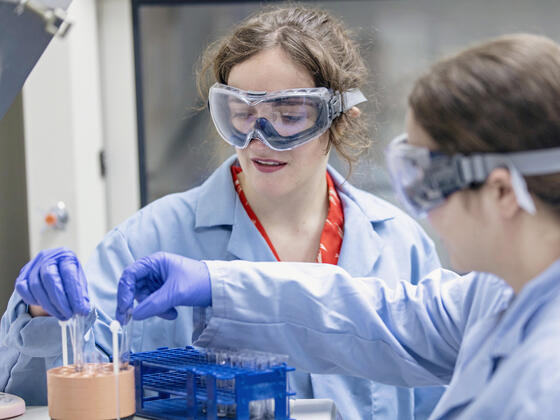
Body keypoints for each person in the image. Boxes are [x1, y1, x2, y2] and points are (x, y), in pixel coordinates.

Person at [0, 5, 444, 419]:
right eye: (241, 114)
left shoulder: (400, 246)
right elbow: (53, 397)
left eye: (289, 115)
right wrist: (41, 315)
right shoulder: (147, 241)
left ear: (337, 117)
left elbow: (445, 398)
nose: (260, 138)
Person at [115, 33, 560, 419]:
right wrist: (216, 284)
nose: (426, 214)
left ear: (503, 193)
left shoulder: (546, 382)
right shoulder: (496, 293)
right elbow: (378, 317)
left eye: (431, 185)